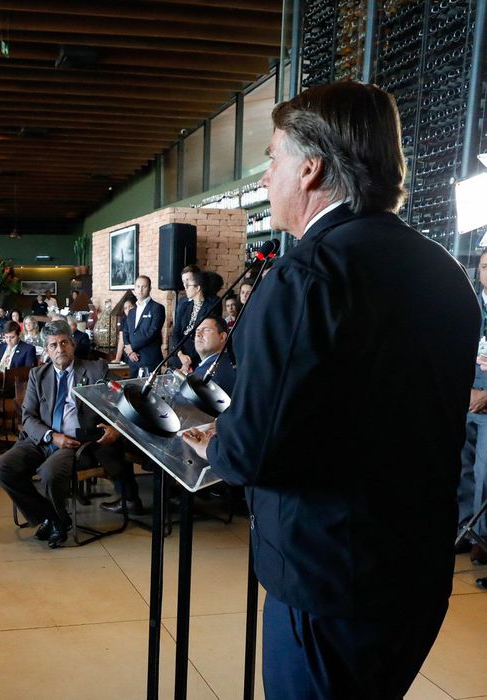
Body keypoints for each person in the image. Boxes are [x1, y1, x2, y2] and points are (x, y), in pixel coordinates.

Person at [181, 81, 479, 700]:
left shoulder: (306, 277)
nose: (266, 178)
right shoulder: (445, 272)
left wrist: (217, 444)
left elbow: (253, 451)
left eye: (272, 159)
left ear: (311, 168)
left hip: (327, 583)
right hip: (415, 571)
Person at [0, 320, 130, 547]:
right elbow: (27, 417)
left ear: (73, 344)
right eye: (53, 345)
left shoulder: (95, 370)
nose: (60, 349)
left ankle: (52, 520)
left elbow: (122, 404)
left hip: (76, 443)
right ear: (46, 350)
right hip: (42, 439)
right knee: (1, 468)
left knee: (49, 472)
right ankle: (54, 518)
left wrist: (116, 427)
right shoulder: (38, 374)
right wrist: (50, 435)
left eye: (64, 342)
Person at [461, 250, 487, 565]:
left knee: (484, 471)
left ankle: (482, 537)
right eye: (484, 265)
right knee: (459, 466)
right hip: (463, 396)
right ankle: (462, 531)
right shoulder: (467, 304)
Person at [170, 270, 222, 372]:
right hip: (180, 355)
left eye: (188, 285)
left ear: (198, 288)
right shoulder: (185, 305)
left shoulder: (212, 305)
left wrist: (188, 362)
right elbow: (176, 333)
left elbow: (206, 334)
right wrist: (181, 355)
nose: (185, 288)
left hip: (197, 356)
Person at [122, 275, 165, 377]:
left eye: (144, 287)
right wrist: (129, 352)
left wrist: (132, 347)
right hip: (133, 361)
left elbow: (152, 333)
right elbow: (126, 332)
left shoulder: (157, 308)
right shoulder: (132, 311)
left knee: (151, 392)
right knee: (133, 391)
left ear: (149, 289)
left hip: (150, 361)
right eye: (138, 287)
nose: (140, 290)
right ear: (134, 289)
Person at [189, 315, 235, 396]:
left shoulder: (209, 373)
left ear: (222, 337)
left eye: (206, 330)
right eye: (197, 330)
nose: (198, 334)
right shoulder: (225, 361)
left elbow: (180, 404)